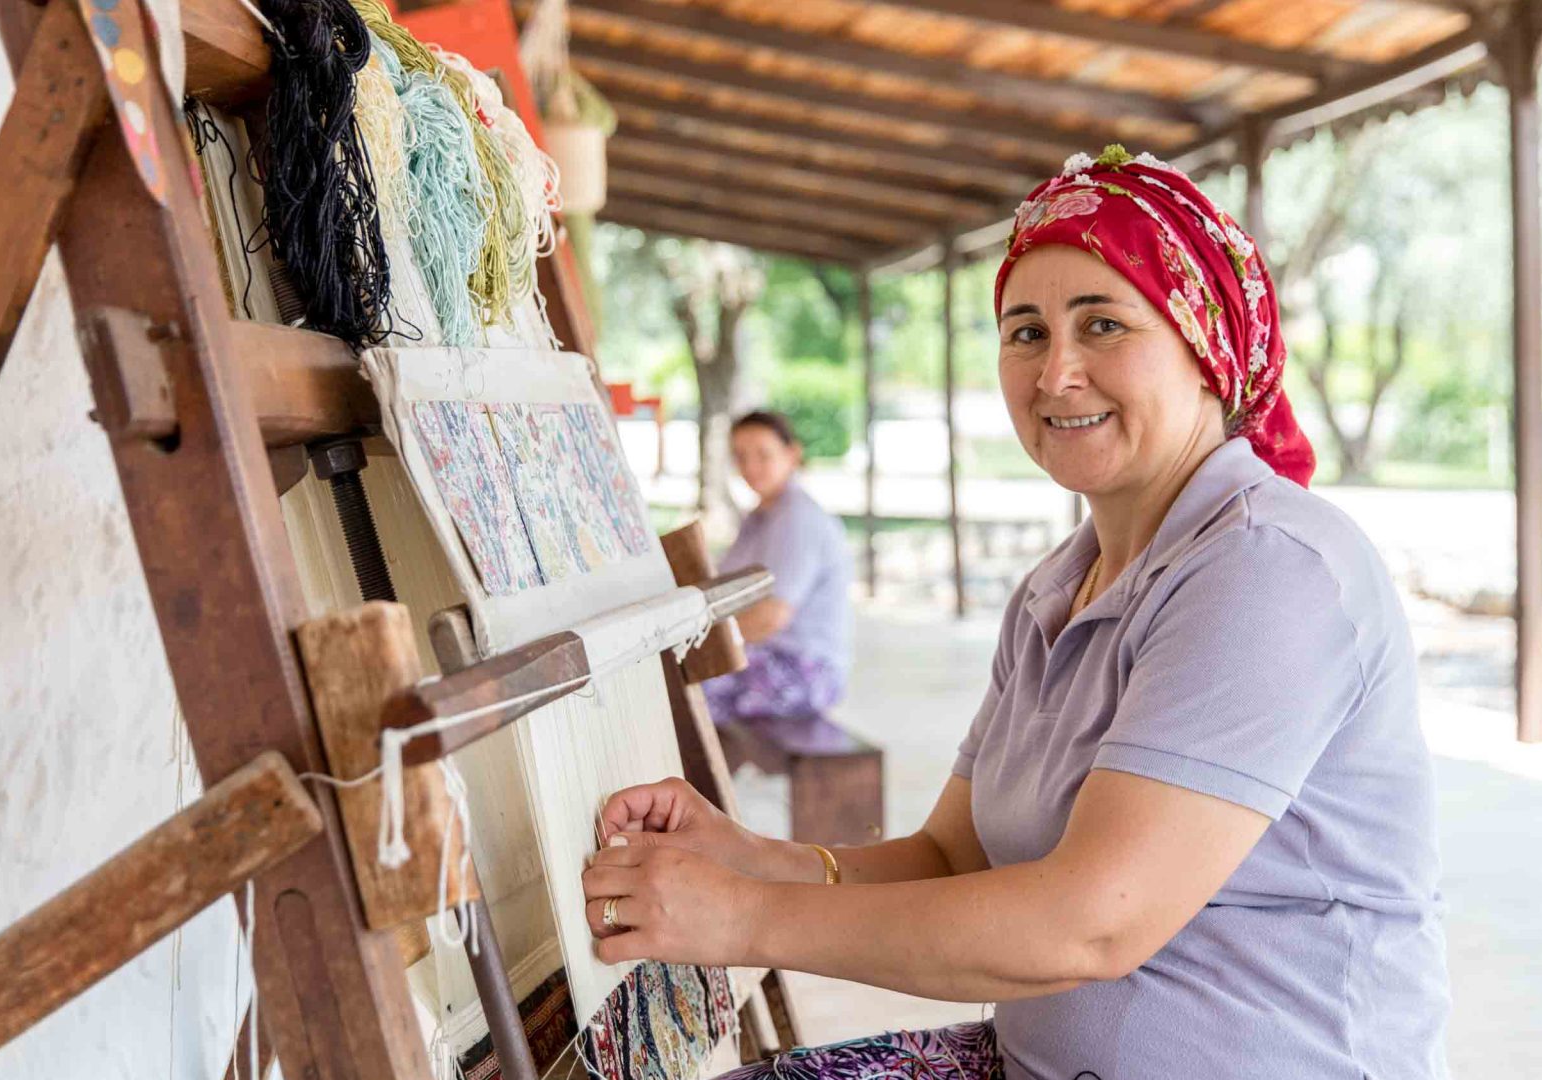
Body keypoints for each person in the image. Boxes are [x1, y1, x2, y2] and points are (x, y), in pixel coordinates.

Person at [581, 147, 1450, 1079]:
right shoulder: (1058, 586)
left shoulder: (1269, 569)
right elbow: (957, 855)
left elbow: (1091, 924)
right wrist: (751, 859)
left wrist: (745, 921)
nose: (1055, 373)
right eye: (1025, 332)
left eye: (1104, 325)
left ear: (1207, 351)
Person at [702, 410, 853, 724]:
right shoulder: (760, 517)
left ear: (792, 454)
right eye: (741, 456)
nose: (750, 467)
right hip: (765, 659)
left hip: (803, 670)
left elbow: (770, 617)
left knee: (686, 691)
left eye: (762, 455)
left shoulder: (797, 518)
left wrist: (701, 647)